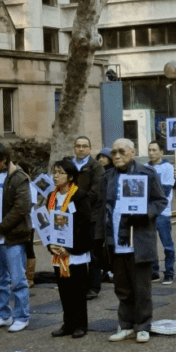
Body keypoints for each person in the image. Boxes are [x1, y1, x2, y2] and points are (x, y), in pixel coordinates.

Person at [103, 138, 168, 342]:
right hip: (116, 238)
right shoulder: (107, 176)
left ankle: (143, 325)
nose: (117, 156)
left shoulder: (146, 173)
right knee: (121, 286)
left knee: (141, 287)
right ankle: (125, 324)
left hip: (139, 238)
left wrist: (145, 213)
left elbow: (160, 201)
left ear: (132, 152)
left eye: (121, 152)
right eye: (113, 152)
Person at [0, 142, 33, 332]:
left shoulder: (18, 177)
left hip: (12, 237)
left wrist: (0, 229)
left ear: (3, 160)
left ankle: (21, 316)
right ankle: (2, 315)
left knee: (18, 280)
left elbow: (21, 207)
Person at [46, 159, 91, 338]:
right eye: (54, 172)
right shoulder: (51, 197)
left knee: (78, 290)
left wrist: (70, 248)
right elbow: (46, 224)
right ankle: (68, 323)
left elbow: (84, 226)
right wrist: (51, 244)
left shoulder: (80, 196)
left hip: (74, 252)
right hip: (58, 252)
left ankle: (81, 324)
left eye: (60, 172)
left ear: (70, 176)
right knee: (64, 290)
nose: (55, 176)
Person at [70, 136, 107, 298]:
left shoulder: (96, 167)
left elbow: (96, 192)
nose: (81, 149)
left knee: (93, 254)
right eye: (78, 146)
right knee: (75, 251)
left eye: (84, 146)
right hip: (72, 216)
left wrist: (76, 202)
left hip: (92, 216)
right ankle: (78, 285)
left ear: (90, 149)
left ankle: (93, 287)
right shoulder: (69, 165)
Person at [147, 141, 176, 284]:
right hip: (148, 212)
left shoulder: (167, 167)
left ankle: (169, 272)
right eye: (149, 150)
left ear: (161, 151)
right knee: (150, 243)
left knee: (167, 244)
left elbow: (165, 191)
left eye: (154, 150)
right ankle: (154, 271)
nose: (151, 153)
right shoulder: (145, 167)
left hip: (163, 212)